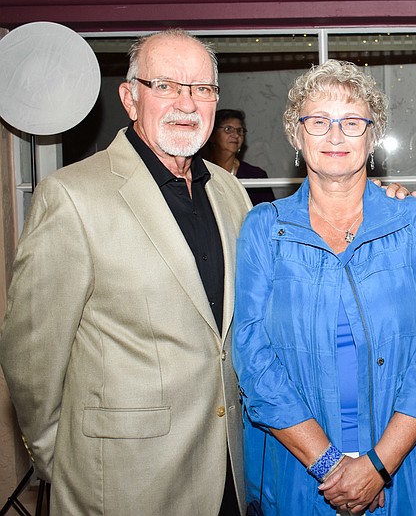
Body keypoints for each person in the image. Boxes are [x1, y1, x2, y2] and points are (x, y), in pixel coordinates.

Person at [0, 28, 252, 514]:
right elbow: (32, 357)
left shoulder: (230, 193)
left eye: (202, 88)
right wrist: (64, 459)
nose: (187, 102)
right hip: (123, 480)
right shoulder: (72, 195)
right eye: (166, 86)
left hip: (226, 473)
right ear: (130, 97)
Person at [233, 59, 416, 515]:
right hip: (301, 471)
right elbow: (252, 358)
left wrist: (378, 466)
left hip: (407, 467)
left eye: (351, 122)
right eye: (318, 122)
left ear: (372, 136)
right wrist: (332, 466)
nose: (335, 136)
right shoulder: (263, 229)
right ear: (296, 136)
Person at [203, 108, 276, 205]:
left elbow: (269, 214)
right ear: (212, 135)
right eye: (228, 129)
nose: (236, 135)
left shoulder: (255, 175)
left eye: (239, 131)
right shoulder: (200, 172)